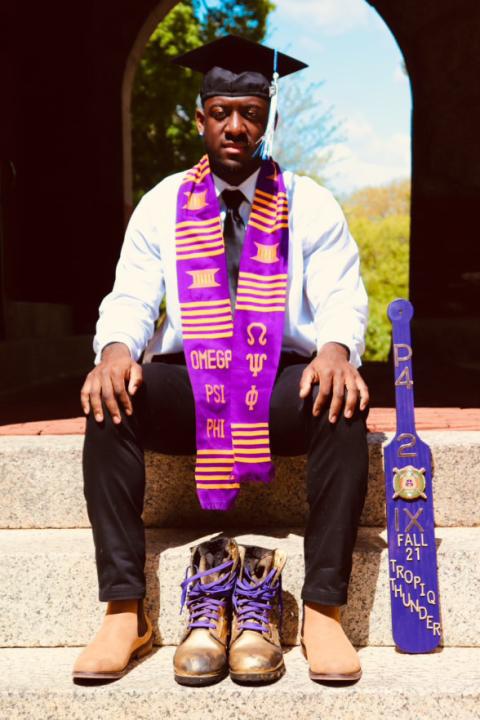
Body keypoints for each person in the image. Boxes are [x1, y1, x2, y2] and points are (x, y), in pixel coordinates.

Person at [72, 34, 370, 683]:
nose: (237, 126)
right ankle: (125, 610)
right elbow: (130, 295)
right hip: (193, 390)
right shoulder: (163, 203)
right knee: (109, 395)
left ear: (268, 117)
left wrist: (338, 351)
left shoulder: (309, 201)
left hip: (279, 386)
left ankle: (322, 609)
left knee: (344, 403)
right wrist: (117, 349)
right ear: (200, 115)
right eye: (222, 111)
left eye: (251, 112)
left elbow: (342, 293)